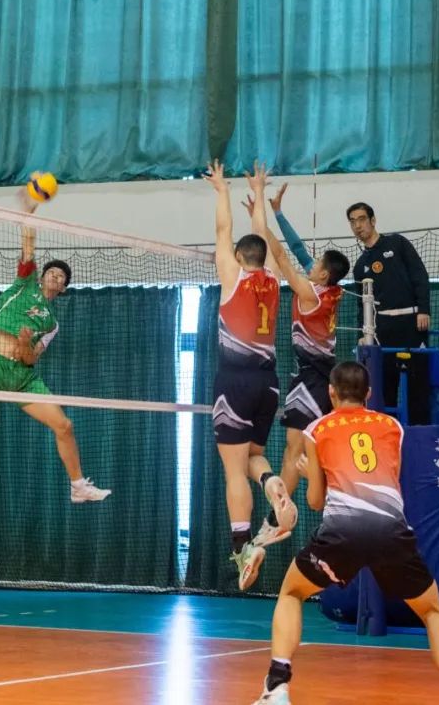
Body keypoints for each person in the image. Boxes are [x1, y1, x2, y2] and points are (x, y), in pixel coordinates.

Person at [251, 361, 439, 705]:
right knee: (433, 611)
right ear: (369, 394)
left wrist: (310, 472)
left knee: (292, 592)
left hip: (342, 532)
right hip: (391, 531)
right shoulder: (392, 426)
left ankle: (277, 687)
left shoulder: (316, 430)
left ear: (331, 392)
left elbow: (315, 501)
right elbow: (390, 478)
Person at [0, 190, 111, 538]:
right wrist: (29, 212)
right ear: (41, 276)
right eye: (52, 272)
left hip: (23, 377)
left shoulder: (51, 323)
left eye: (61, 277)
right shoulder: (24, 284)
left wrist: (26, 344)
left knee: (64, 426)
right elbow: (28, 242)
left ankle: (78, 486)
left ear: (64, 288)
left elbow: (31, 358)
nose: (56, 276)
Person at [203, 159, 297, 590]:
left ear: (240, 258)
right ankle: (271, 482)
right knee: (252, 458)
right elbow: (260, 234)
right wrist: (258, 193)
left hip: (235, 382)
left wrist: (221, 190)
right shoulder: (274, 279)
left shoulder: (232, 275)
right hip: (268, 383)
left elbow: (224, 231)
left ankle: (242, 548)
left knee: (231, 471)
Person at [244, 185, 349, 546]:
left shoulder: (309, 294)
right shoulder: (330, 289)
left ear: (322, 276)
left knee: (295, 450)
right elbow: (299, 250)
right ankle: (286, 513)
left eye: (317, 265)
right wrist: (276, 211)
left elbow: (282, 257)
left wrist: (259, 223)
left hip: (313, 378)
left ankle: (278, 519)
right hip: (317, 375)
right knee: (301, 450)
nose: (312, 264)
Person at [347, 202, 432, 425]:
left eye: (362, 219)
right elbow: (361, 304)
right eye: (353, 222)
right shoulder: (360, 266)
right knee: (385, 388)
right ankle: (388, 433)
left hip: (411, 324)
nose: (358, 226)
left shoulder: (397, 243)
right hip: (382, 331)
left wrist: (423, 309)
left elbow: (420, 276)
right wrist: (363, 333)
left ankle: (420, 435)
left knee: (418, 387)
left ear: (373, 220)